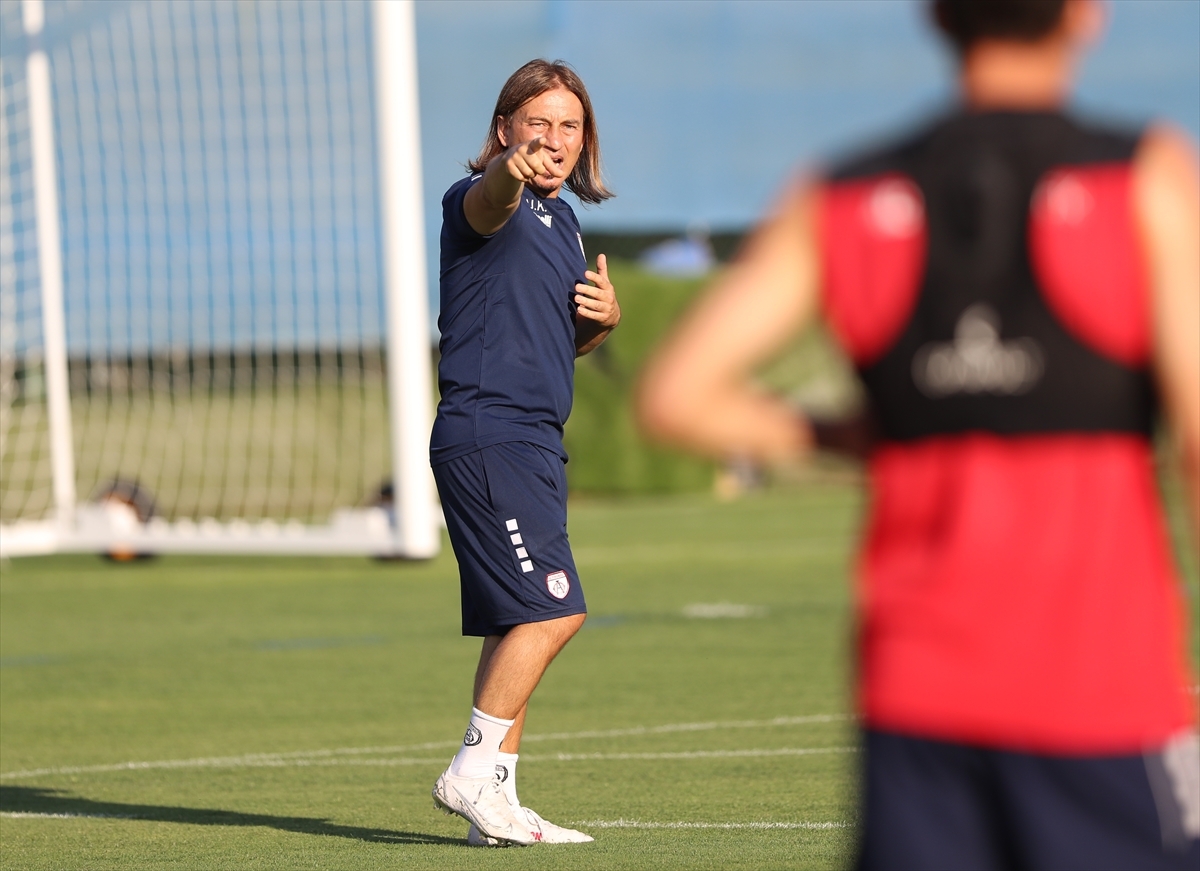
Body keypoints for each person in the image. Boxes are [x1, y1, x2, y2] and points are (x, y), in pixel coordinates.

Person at [637, 1, 1199, 868]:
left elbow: (676, 394)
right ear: (1086, 17)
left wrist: (846, 434)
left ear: (935, 18)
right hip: (1100, 686)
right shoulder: (1146, 177)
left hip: (916, 690)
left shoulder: (843, 192)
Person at [428, 59, 619, 847]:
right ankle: (471, 773)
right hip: (488, 432)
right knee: (556, 608)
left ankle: (496, 801)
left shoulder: (565, 222)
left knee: (519, 620)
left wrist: (600, 324)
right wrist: (508, 171)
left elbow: (547, 342)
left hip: (535, 436)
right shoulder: (483, 201)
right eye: (536, 122)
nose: (553, 139)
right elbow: (489, 198)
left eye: (569, 125)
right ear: (505, 127)